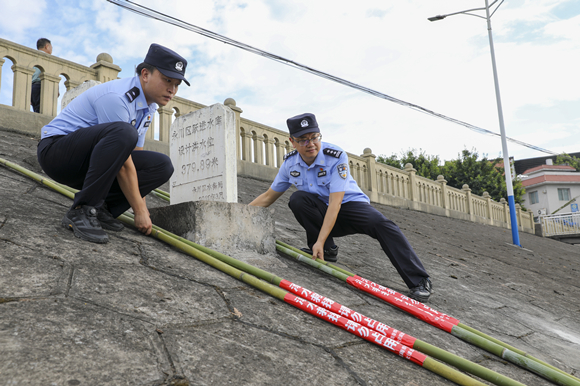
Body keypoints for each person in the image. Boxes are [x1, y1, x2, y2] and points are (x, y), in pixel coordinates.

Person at [249, 113, 433, 302]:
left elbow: (336, 203)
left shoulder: (335, 156)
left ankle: (419, 281)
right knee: (298, 199)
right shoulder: (290, 164)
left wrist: (318, 240)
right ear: (292, 142)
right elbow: (268, 196)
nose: (310, 143)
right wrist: (239, 215)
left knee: (382, 224)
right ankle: (326, 251)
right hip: (322, 212)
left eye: (314, 137)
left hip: (349, 206)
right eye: (303, 140)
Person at [37, 43, 189, 244]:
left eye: (177, 84)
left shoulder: (148, 106)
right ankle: (82, 210)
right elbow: (124, 163)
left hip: (90, 159)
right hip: (56, 153)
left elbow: (134, 156)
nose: (172, 90)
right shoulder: (117, 97)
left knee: (162, 165)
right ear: (145, 74)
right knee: (124, 132)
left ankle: (102, 209)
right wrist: (140, 211)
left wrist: (142, 208)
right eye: (167, 80)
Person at [31, 38, 53, 113]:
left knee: (36, 110)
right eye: (51, 47)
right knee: (44, 111)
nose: (52, 49)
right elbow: (52, 73)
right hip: (41, 86)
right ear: (47, 46)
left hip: (32, 87)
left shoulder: (32, 57)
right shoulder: (48, 58)